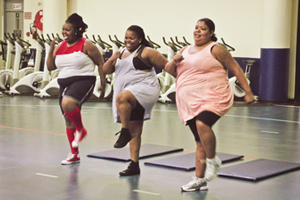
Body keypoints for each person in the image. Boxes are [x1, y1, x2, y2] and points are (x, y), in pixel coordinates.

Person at [165, 18, 255, 192]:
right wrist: (174, 61)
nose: (198, 31)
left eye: (203, 29)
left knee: (202, 124)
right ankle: (199, 180)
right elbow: (169, 70)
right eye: (196, 28)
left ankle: (213, 161)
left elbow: (236, 69)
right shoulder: (185, 50)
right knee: (199, 142)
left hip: (213, 97)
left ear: (211, 32)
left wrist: (248, 92)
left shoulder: (216, 48)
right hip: (189, 102)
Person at [103, 25, 168, 176]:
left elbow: (168, 66)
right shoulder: (120, 53)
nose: (128, 40)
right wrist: (113, 57)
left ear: (139, 39)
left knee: (122, 97)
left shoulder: (147, 52)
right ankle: (134, 165)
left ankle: (124, 132)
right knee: (136, 131)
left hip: (145, 89)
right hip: (130, 95)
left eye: (131, 38)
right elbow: (106, 70)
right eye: (126, 37)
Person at [46, 13, 106, 165]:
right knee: (68, 119)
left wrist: (103, 84)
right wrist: (51, 50)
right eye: (63, 30)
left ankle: (82, 130)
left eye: (68, 30)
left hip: (84, 80)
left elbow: (100, 63)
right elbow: (50, 67)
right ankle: (74, 154)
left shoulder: (87, 44)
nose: (64, 33)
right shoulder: (60, 47)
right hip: (64, 85)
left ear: (77, 30)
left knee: (68, 104)